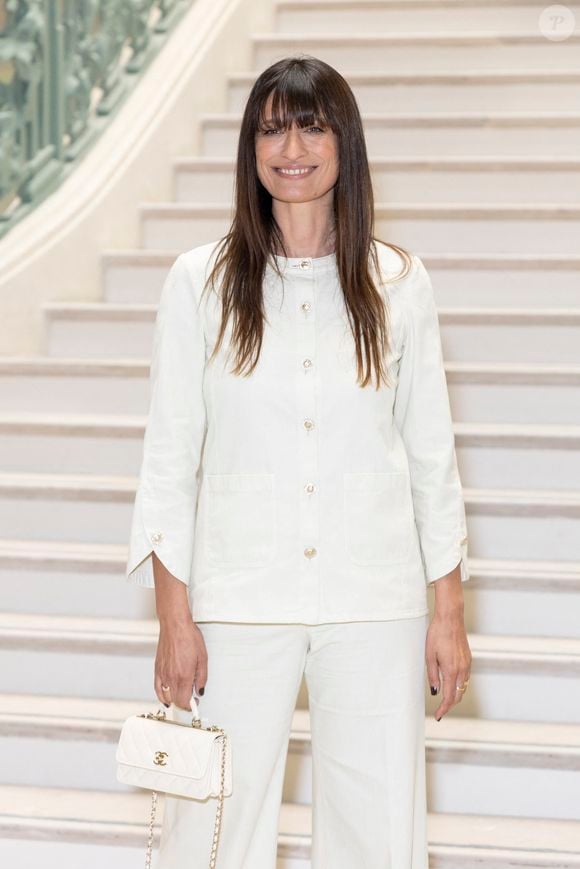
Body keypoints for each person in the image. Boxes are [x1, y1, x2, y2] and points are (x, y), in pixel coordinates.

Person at [125, 55, 472, 869]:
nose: (292, 145)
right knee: (210, 832)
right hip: (237, 598)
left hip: (375, 599)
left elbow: (432, 454)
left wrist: (447, 612)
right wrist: (174, 616)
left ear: (343, 141)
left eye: (311, 124)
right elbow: (169, 457)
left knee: (378, 833)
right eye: (272, 126)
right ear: (251, 148)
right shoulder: (199, 284)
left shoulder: (399, 283)